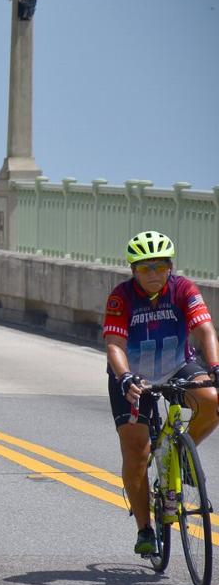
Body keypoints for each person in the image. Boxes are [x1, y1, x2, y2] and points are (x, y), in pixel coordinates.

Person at [103, 230, 219, 556]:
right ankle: (145, 529)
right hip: (132, 375)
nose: (153, 273)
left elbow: (205, 329)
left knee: (211, 400)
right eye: (145, 267)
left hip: (177, 366)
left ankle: (181, 453)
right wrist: (124, 377)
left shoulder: (182, 289)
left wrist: (215, 366)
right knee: (137, 452)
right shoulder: (121, 297)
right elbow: (114, 344)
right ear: (133, 271)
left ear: (170, 266)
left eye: (159, 266)